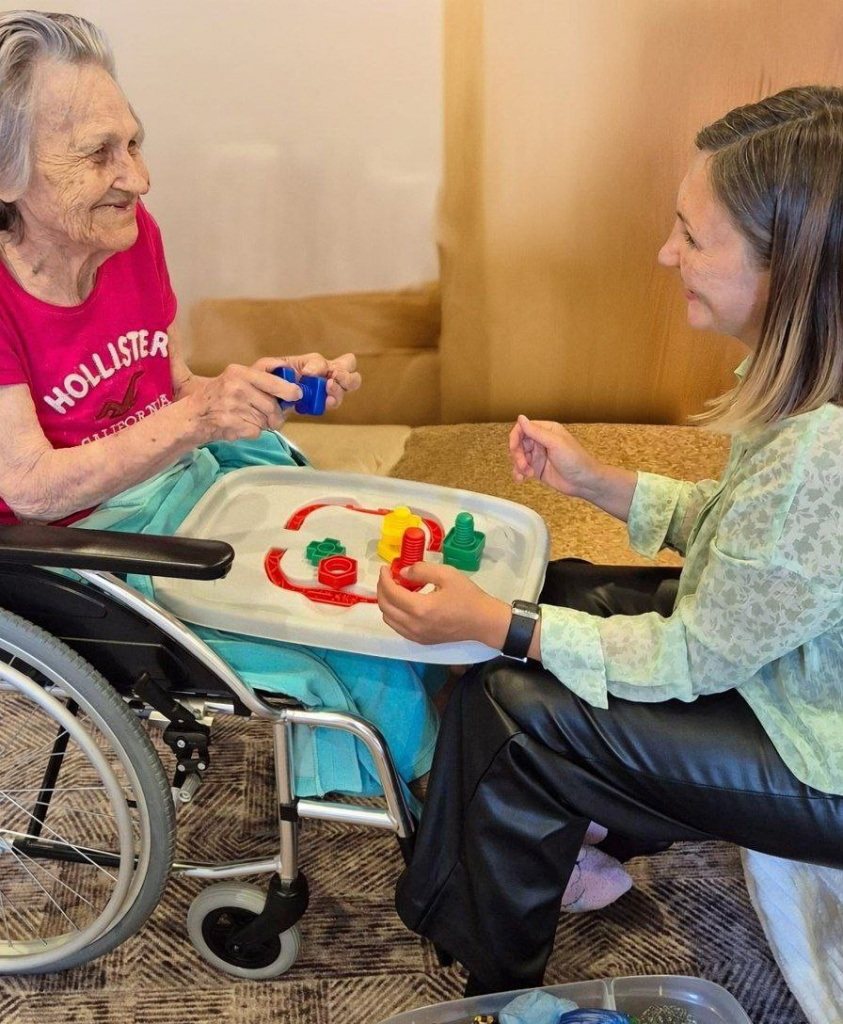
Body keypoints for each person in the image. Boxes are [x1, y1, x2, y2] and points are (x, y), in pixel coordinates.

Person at [377, 85, 843, 993]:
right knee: (565, 587)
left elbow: (694, 657)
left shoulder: (822, 455)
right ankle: (575, 839)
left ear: (785, 267)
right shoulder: (811, 393)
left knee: (513, 705)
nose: (665, 253)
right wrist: (594, 479)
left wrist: (497, 627)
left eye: (693, 237)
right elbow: (750, 543)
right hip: (793, 664)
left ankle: (493, 985)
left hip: (819, 756)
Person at [0, 11, 443, 798]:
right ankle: (456, 819)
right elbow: (30, 487)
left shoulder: (129, 234)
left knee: (382, 558)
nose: (137, 178)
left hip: (192, 485)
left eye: (134, 143)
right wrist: (197, 422)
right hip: (87, 549)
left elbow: (166, 389)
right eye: (99, 154)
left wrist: (249, 390)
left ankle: (481, 781)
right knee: (345, 628)